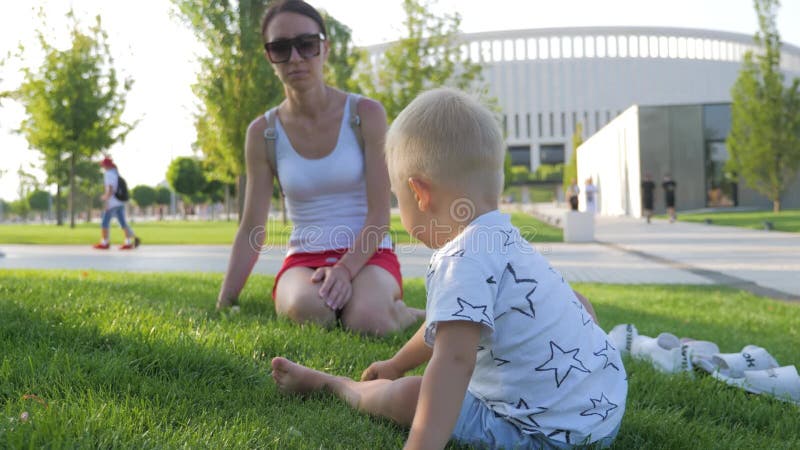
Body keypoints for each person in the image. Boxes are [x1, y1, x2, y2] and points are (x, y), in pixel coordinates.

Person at [271, 88, 627, 449]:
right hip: (603, 416)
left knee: (416, 393)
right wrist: (396, 362)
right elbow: (447, 318)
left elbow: (455, 361)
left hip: (543, 437)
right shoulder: (503, 237)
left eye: (399, 199)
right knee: (575, 302)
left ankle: (338, 386)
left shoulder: (458, 259)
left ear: (420, 194)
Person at [215, 0, 423, 336]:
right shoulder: (262, 132)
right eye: (281, 48)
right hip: (304, 260)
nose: (295, 57)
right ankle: (348, 301)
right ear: (270, 57)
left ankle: (407, 314)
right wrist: (226, 299)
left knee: (368, 321)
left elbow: (380, 216)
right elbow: (252, 226)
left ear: (324, 48)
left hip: (368, 254)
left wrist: (344, 269)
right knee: (310, 310)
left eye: (306, 44)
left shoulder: (366, 114)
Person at [93, 156, 140, 250]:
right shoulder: (115, 173)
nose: (103, 167)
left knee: (104, 223)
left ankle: (105, 242)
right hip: (119, 202)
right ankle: (129, 241)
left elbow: (110, 189)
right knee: (122, 223)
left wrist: (106, 199)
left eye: (103, 165)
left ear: (107, 166)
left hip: (112, 202)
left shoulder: (108, 174)